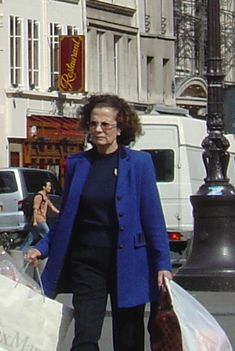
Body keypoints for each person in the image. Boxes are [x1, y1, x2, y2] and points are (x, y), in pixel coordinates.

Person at [25, 94, 171, 351]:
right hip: (87, 261)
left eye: (106, 124)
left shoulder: (139, 164)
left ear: (121, 128)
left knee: (129, 338)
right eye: (93, 124)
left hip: (129, 261)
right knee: (85, 335)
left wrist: (163, 265)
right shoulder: (77, 164)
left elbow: (153, 219)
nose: (98, 130)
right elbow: (66, 217)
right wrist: (42, 247)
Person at [26, 180, 60, 251]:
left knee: (30, 238)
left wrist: (60, 213)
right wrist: (34, 221)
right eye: (49, 186)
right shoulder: (39, 196)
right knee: (48, 235)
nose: (50, 188)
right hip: (39, 219)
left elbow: (51, 206)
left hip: (42, 219)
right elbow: (35, 209)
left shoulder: (46, 197)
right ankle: (53, 251)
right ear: (44, 187)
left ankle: (20, 251)